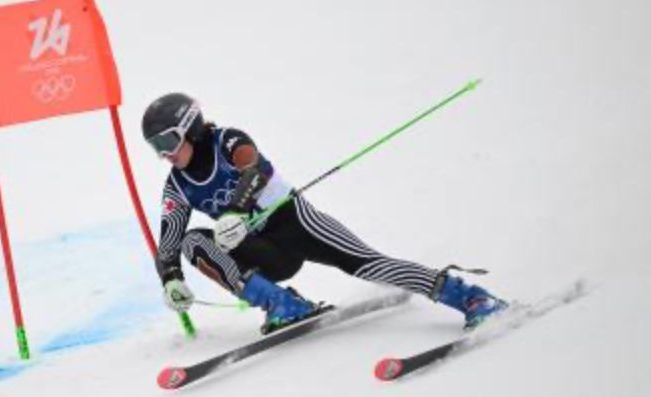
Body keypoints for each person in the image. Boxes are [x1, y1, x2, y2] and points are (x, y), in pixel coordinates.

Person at [143, 92, 507, 334]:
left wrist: (237, 211)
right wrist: (171, 279)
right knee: (193, 242)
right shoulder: (177, 185)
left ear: (191, 128)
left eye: (167, 141)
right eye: (155, 147)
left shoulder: (227, 140)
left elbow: (256, 169)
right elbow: (170, 240)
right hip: (263, 251)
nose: (164, 154)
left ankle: (470, 297)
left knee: (366, 264)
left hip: (295, 222)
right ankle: (282, 305)